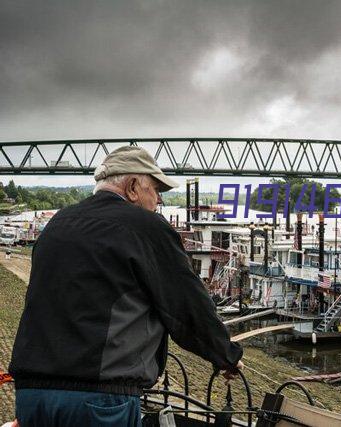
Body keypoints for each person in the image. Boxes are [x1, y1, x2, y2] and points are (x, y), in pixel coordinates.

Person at [9, 146, 244, 426]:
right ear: (133, 187)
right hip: (98, 399)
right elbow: (185, 307)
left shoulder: (58, 223)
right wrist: (226, 356)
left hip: (32, 394)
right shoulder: (145, 227)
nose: (158, 200)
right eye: (156, 190)